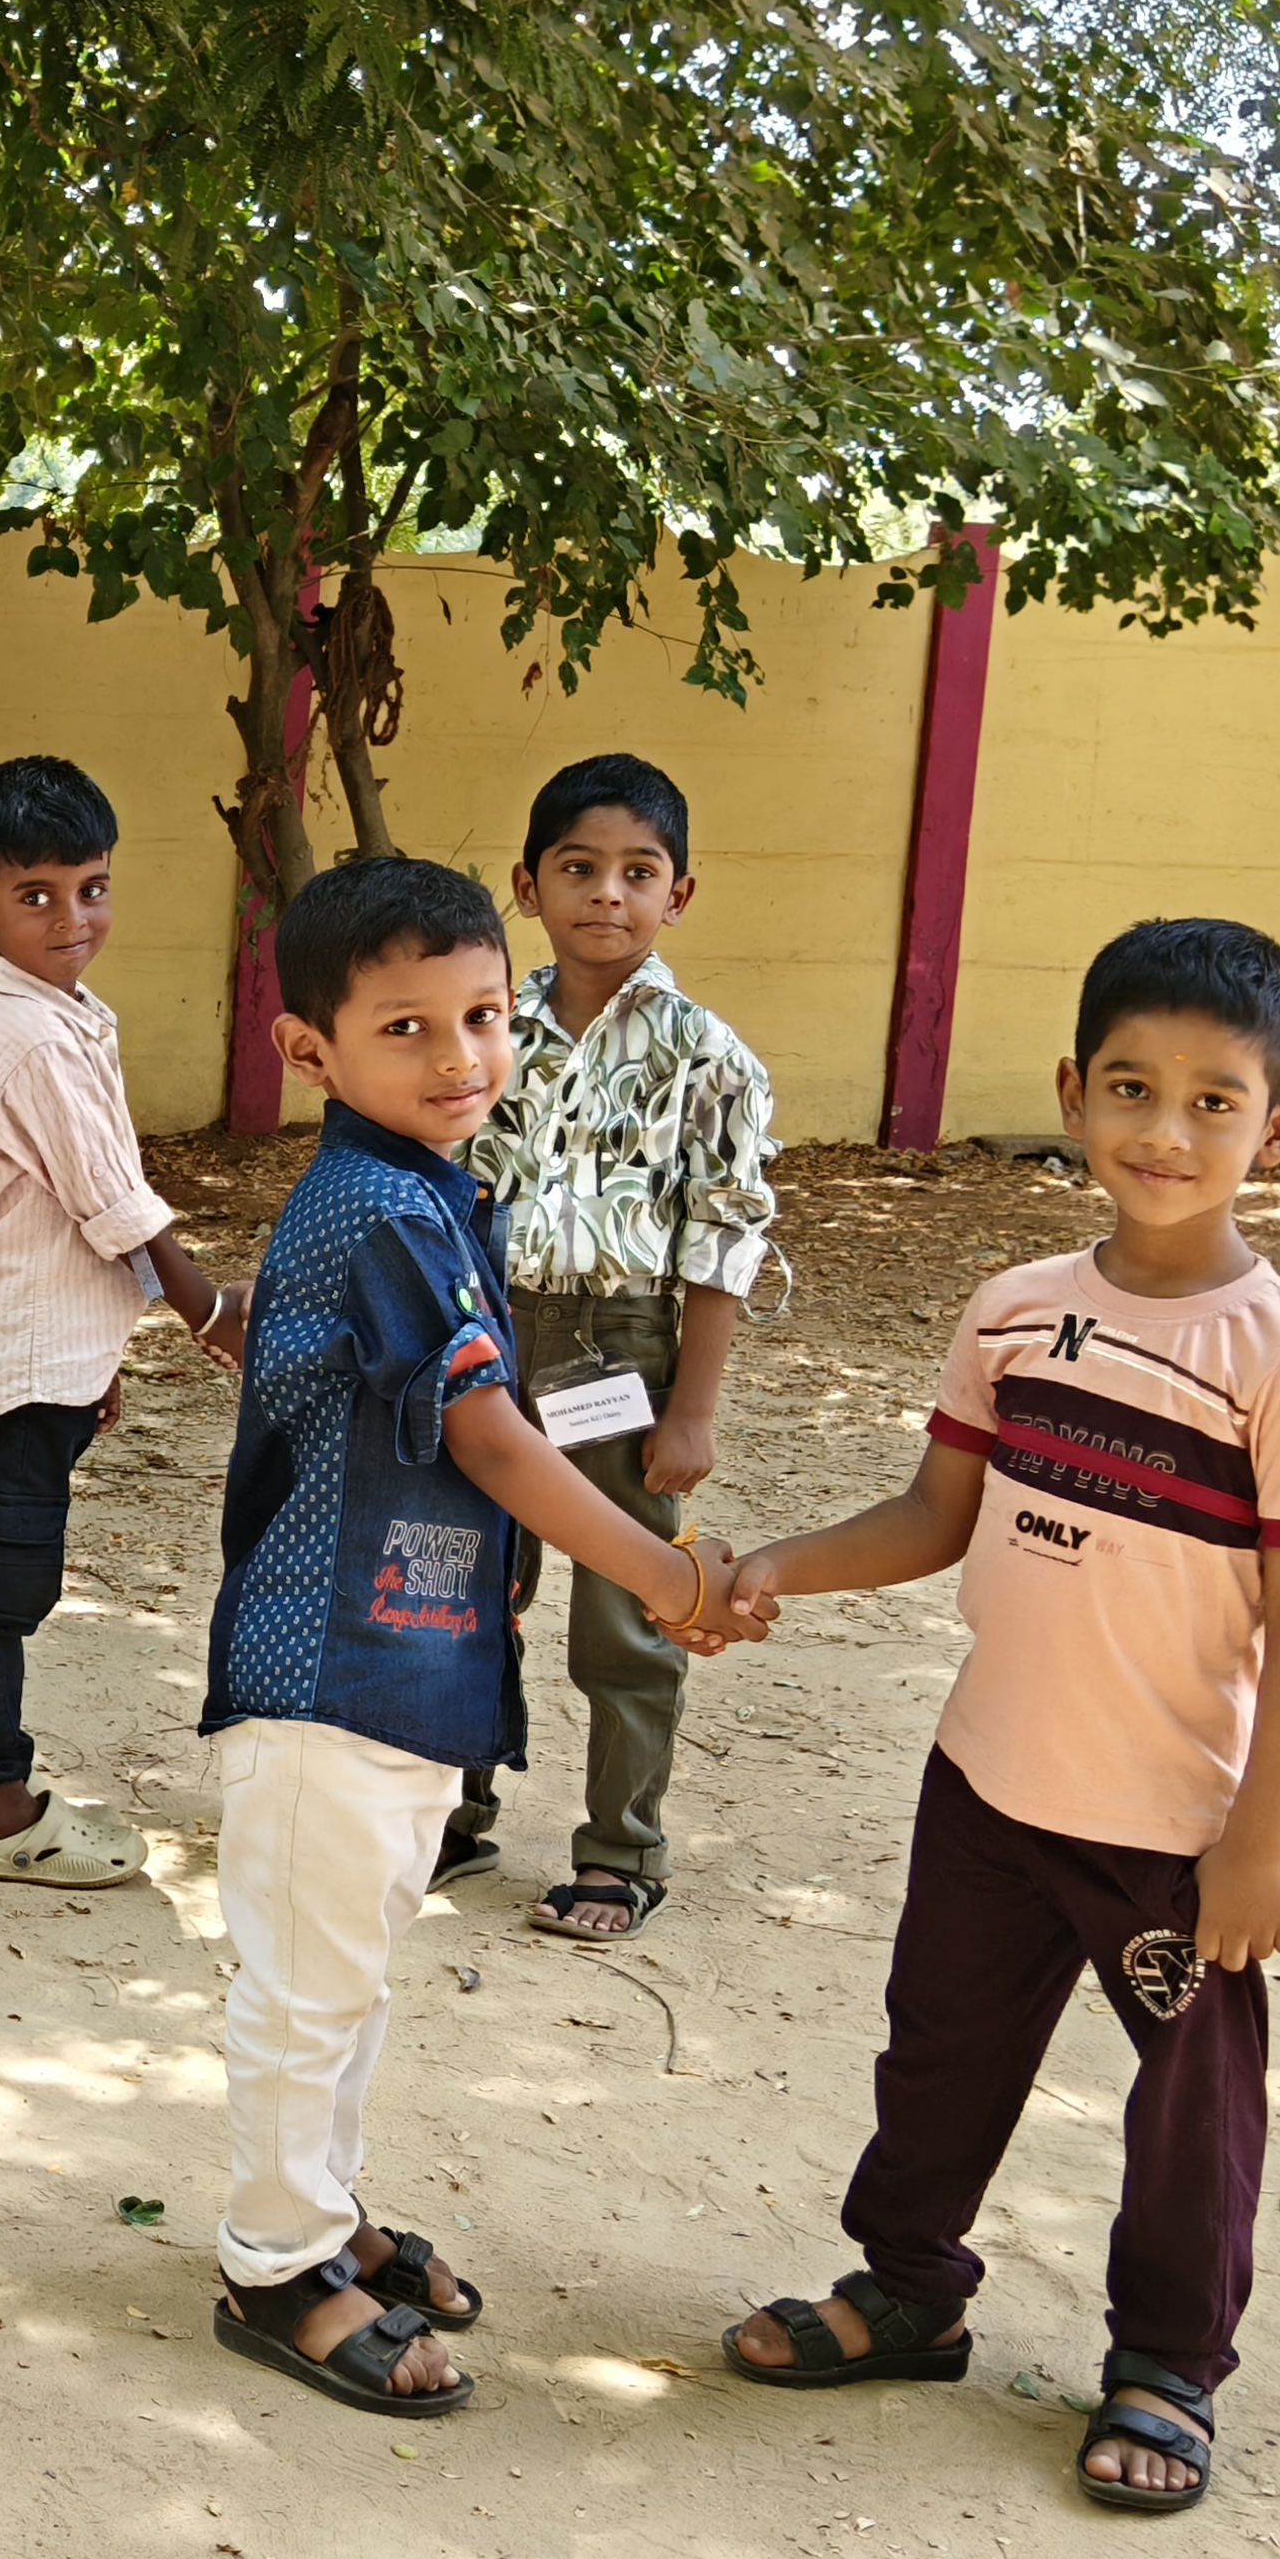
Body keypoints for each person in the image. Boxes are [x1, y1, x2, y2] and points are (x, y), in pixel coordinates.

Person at [722, 918, 1280, 2518]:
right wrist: (775, 1566)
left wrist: (1257, 1848)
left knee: (1189, 2114)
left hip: (1170, 1834)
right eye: (1131, 1088)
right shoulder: (1012, 1311)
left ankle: (1165, 2367)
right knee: (939, 2052)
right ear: (1073, 1093)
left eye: (1214, 1101)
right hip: (988, 1788)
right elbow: (935, 1515)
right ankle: (909, 2291)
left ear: (1279, 1127)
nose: (1165, 1130)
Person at [200, 854, 767, 2419]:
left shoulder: (437, 1189)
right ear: (308, 1051)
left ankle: (324, 2214)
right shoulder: (379, 1211)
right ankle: (273, 2266)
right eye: (406, 1028)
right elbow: (497, 1440)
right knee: (308, 1989)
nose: (460, 1058)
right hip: (321, 1672)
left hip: (400, 1661)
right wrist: (669, 1575)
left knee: (350, 1973)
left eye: (481, 1017)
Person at [440, 752, 779, 1939]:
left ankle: (619, 1851)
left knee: (627, 1607)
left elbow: (722, 1240)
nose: (606, 894)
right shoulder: (487, 1033)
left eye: (638, 873)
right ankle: (450, 1813)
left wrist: (693, 1407)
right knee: (468, 1582)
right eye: (577, 868)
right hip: (486, 1332)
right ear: (526, 886)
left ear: (677, 895)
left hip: (621, 1349)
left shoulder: (707, 1055)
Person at [0, 757, 247, 1889]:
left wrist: (94, 1356)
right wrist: (209, 1309)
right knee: (2, 1582)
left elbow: (78, 1211)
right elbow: (113, 1201)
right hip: (15, 1356)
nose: (72, 919)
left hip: (35, 1349)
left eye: (91, 888)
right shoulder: (34, 1040)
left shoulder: (65, 1017)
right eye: (36, 896)